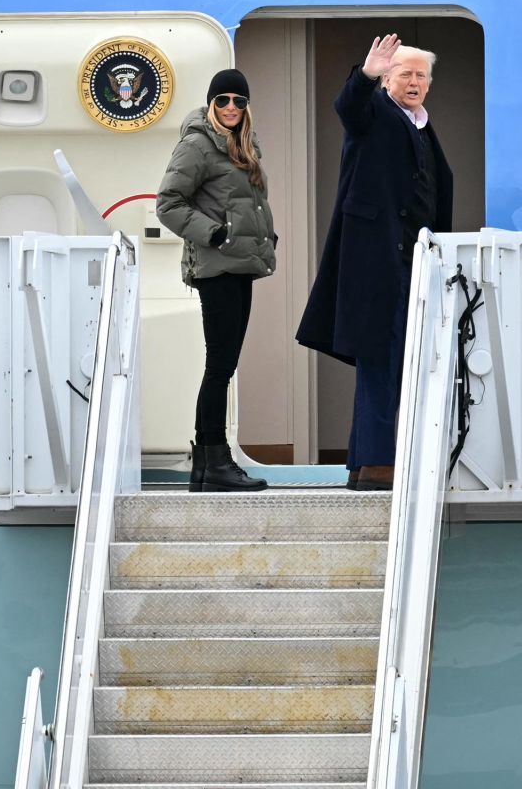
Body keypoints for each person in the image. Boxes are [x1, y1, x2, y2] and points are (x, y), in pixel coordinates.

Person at [296, 35, 454, 491]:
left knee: (391, 359)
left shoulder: (420, 123)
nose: (415, 82)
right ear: (386, 78)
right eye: (405, 73)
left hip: (408, 261)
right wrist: (363, 77)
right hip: (378, 260)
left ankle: (365, 463)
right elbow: (349, 108)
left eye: (421, 75)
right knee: (382, 358)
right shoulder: (374, 109)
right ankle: (380, 463)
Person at [157, 68, 277, 492]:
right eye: (222, 100)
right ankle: (217, 460)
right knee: (219, 367)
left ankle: (205, 467)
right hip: (218, 266)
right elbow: (168, 203)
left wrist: (264, 238)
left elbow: (248, 204)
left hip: (240, 265)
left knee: (222, 367)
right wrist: (214, 233)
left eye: (238, 102)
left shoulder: (243, 144)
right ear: (211, 104)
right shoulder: (198, 144)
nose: (230, 108)